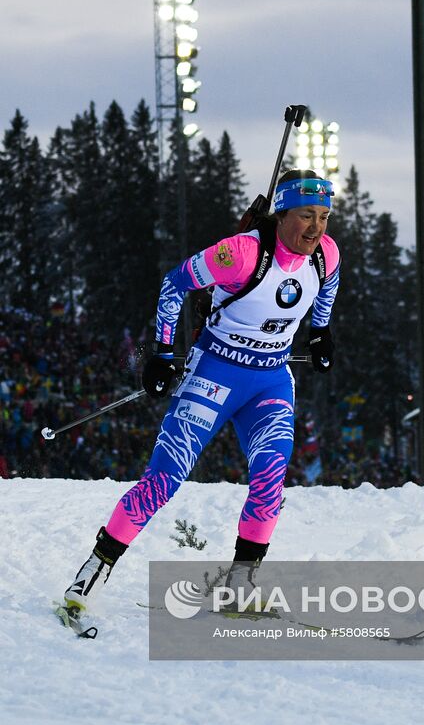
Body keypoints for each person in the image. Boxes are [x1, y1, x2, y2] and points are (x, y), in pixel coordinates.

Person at [63, 169, 340, 615]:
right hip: (214, 373)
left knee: (271, 475)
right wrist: (162, 352)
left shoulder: (326, 254)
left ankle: (240, 585)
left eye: (324, 216)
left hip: (270, 379)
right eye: (307, 215)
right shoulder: (243, 253)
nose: (316, 228)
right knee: (164, 478)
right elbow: (175, 284)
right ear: (283, 212)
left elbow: (328, 288)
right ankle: (94, 569)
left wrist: (322, 332)